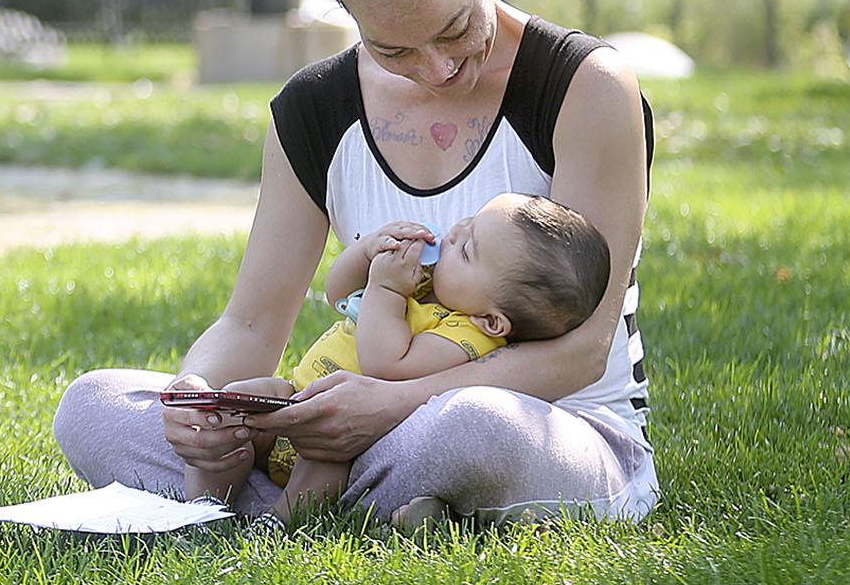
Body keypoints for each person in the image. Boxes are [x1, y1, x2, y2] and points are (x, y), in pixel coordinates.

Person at [52, 0, 657, 531]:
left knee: (468, 428)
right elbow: (249, 322)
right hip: (342, 429)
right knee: (91, 406)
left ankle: (280, 507)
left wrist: (395, 404)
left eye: (454, 30)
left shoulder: (586, 86)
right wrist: (199, 399)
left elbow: (582, 350)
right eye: (394, 47)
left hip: (549, 427)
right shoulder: (315, 108)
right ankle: (371, 506)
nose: (437, 70)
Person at [249, 193, 612, 518]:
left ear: (492, 321)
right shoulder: (426, 283)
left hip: (335, 442)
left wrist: (386, 287)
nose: (454, 234)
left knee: (322, 463)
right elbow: (337, 293)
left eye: (468, 251)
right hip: (297, 393)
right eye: (469, 223)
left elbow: (388, 365)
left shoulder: (467, 336)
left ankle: (277, 523)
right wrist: (368, 251)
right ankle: (205, 502)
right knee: (242, 404)